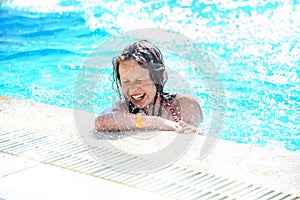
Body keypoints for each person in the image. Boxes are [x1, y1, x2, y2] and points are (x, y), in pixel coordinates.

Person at [95, 40, 203, 133]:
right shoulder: (124, 108)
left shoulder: (185, 105)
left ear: (161, 78)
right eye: (126, 81)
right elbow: (100, 122)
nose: (132, 89)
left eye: (140, 81)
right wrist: (156, 122)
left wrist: (194, 133)